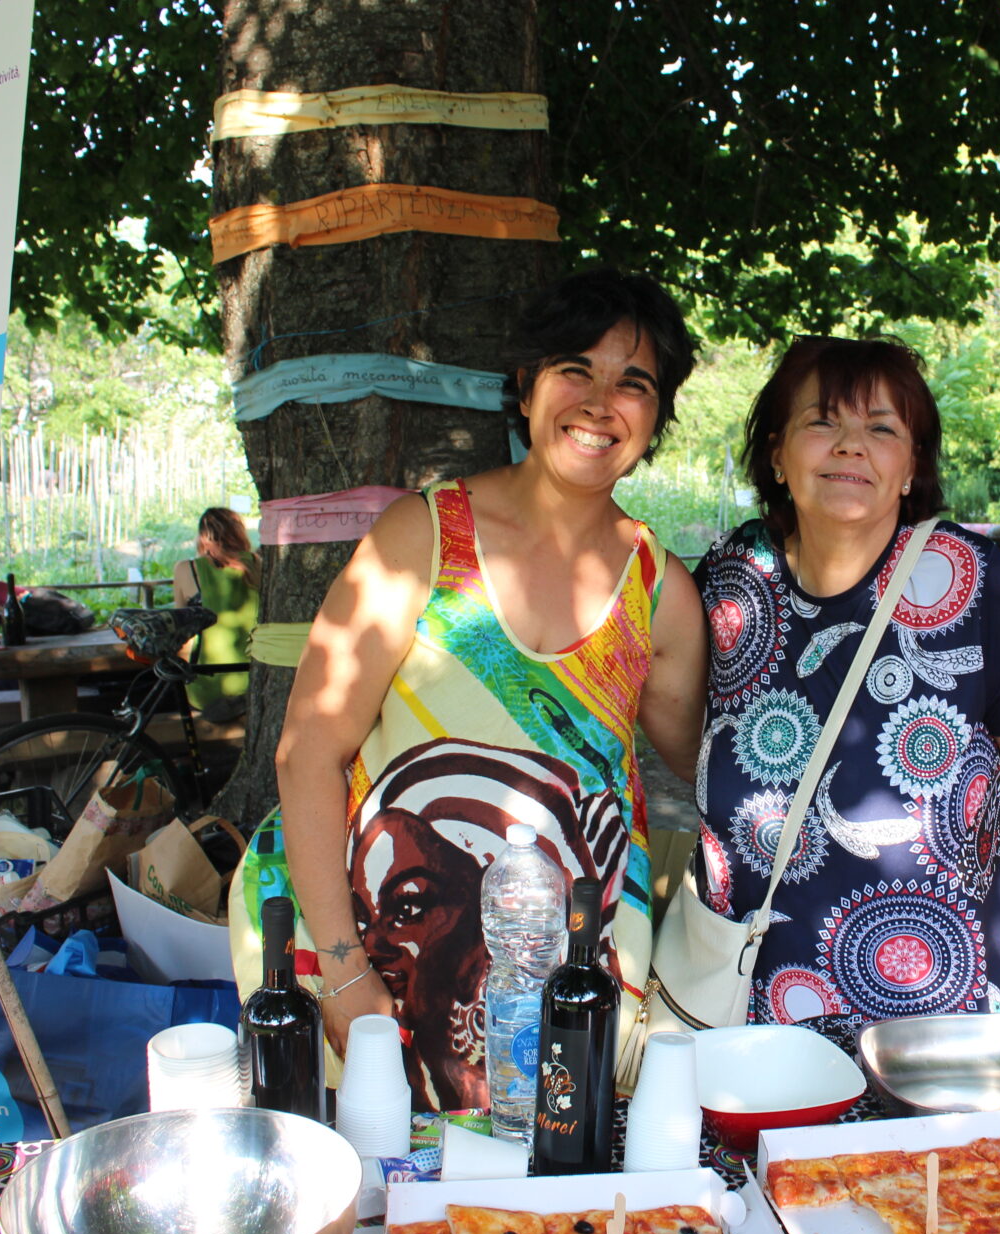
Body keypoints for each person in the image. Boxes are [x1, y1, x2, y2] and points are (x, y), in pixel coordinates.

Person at [231, 268, 708, 1110]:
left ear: (656, 417)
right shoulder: (420, 537)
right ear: (525, 388)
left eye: (633, 383)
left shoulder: (659, 591)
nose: (600, 403)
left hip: (572, 990)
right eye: (576, 370)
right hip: (380, 974)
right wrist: (344, 978)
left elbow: (718, 767)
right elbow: (309, 753)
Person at [693, 336, 1000, 1082]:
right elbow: (693, 737)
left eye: (882, 429)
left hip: (949, 1027)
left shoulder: (977, 589)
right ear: (777, 452)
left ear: (912, 465)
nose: (852, 447)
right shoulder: (728, 582)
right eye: (822, 422)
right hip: (750, 1016)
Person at [170, 508, 259, 719]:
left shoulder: (187, 569)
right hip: (255, 681)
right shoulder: (257, 565)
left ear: (202, 537)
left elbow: (181, 631)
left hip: (206, 686)